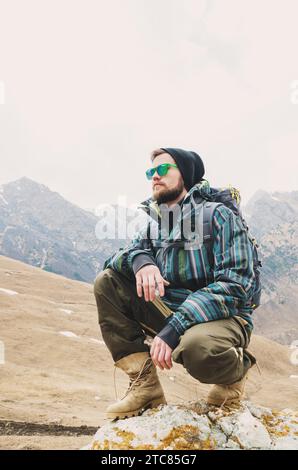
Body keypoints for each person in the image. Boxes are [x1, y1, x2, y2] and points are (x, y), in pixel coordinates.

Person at [94, 147, 257, 420]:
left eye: (163, 169)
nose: (154, 177)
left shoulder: (219, 216)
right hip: (173, 312)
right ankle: (145, 387)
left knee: (198, 348)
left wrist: (175, 327)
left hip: (225, 318)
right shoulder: (155, 225)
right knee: (107, 282)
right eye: (150, 172)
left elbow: (236, 285)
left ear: (186, 174)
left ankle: (233, 380)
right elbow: (113, 261)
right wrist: (142, 261)